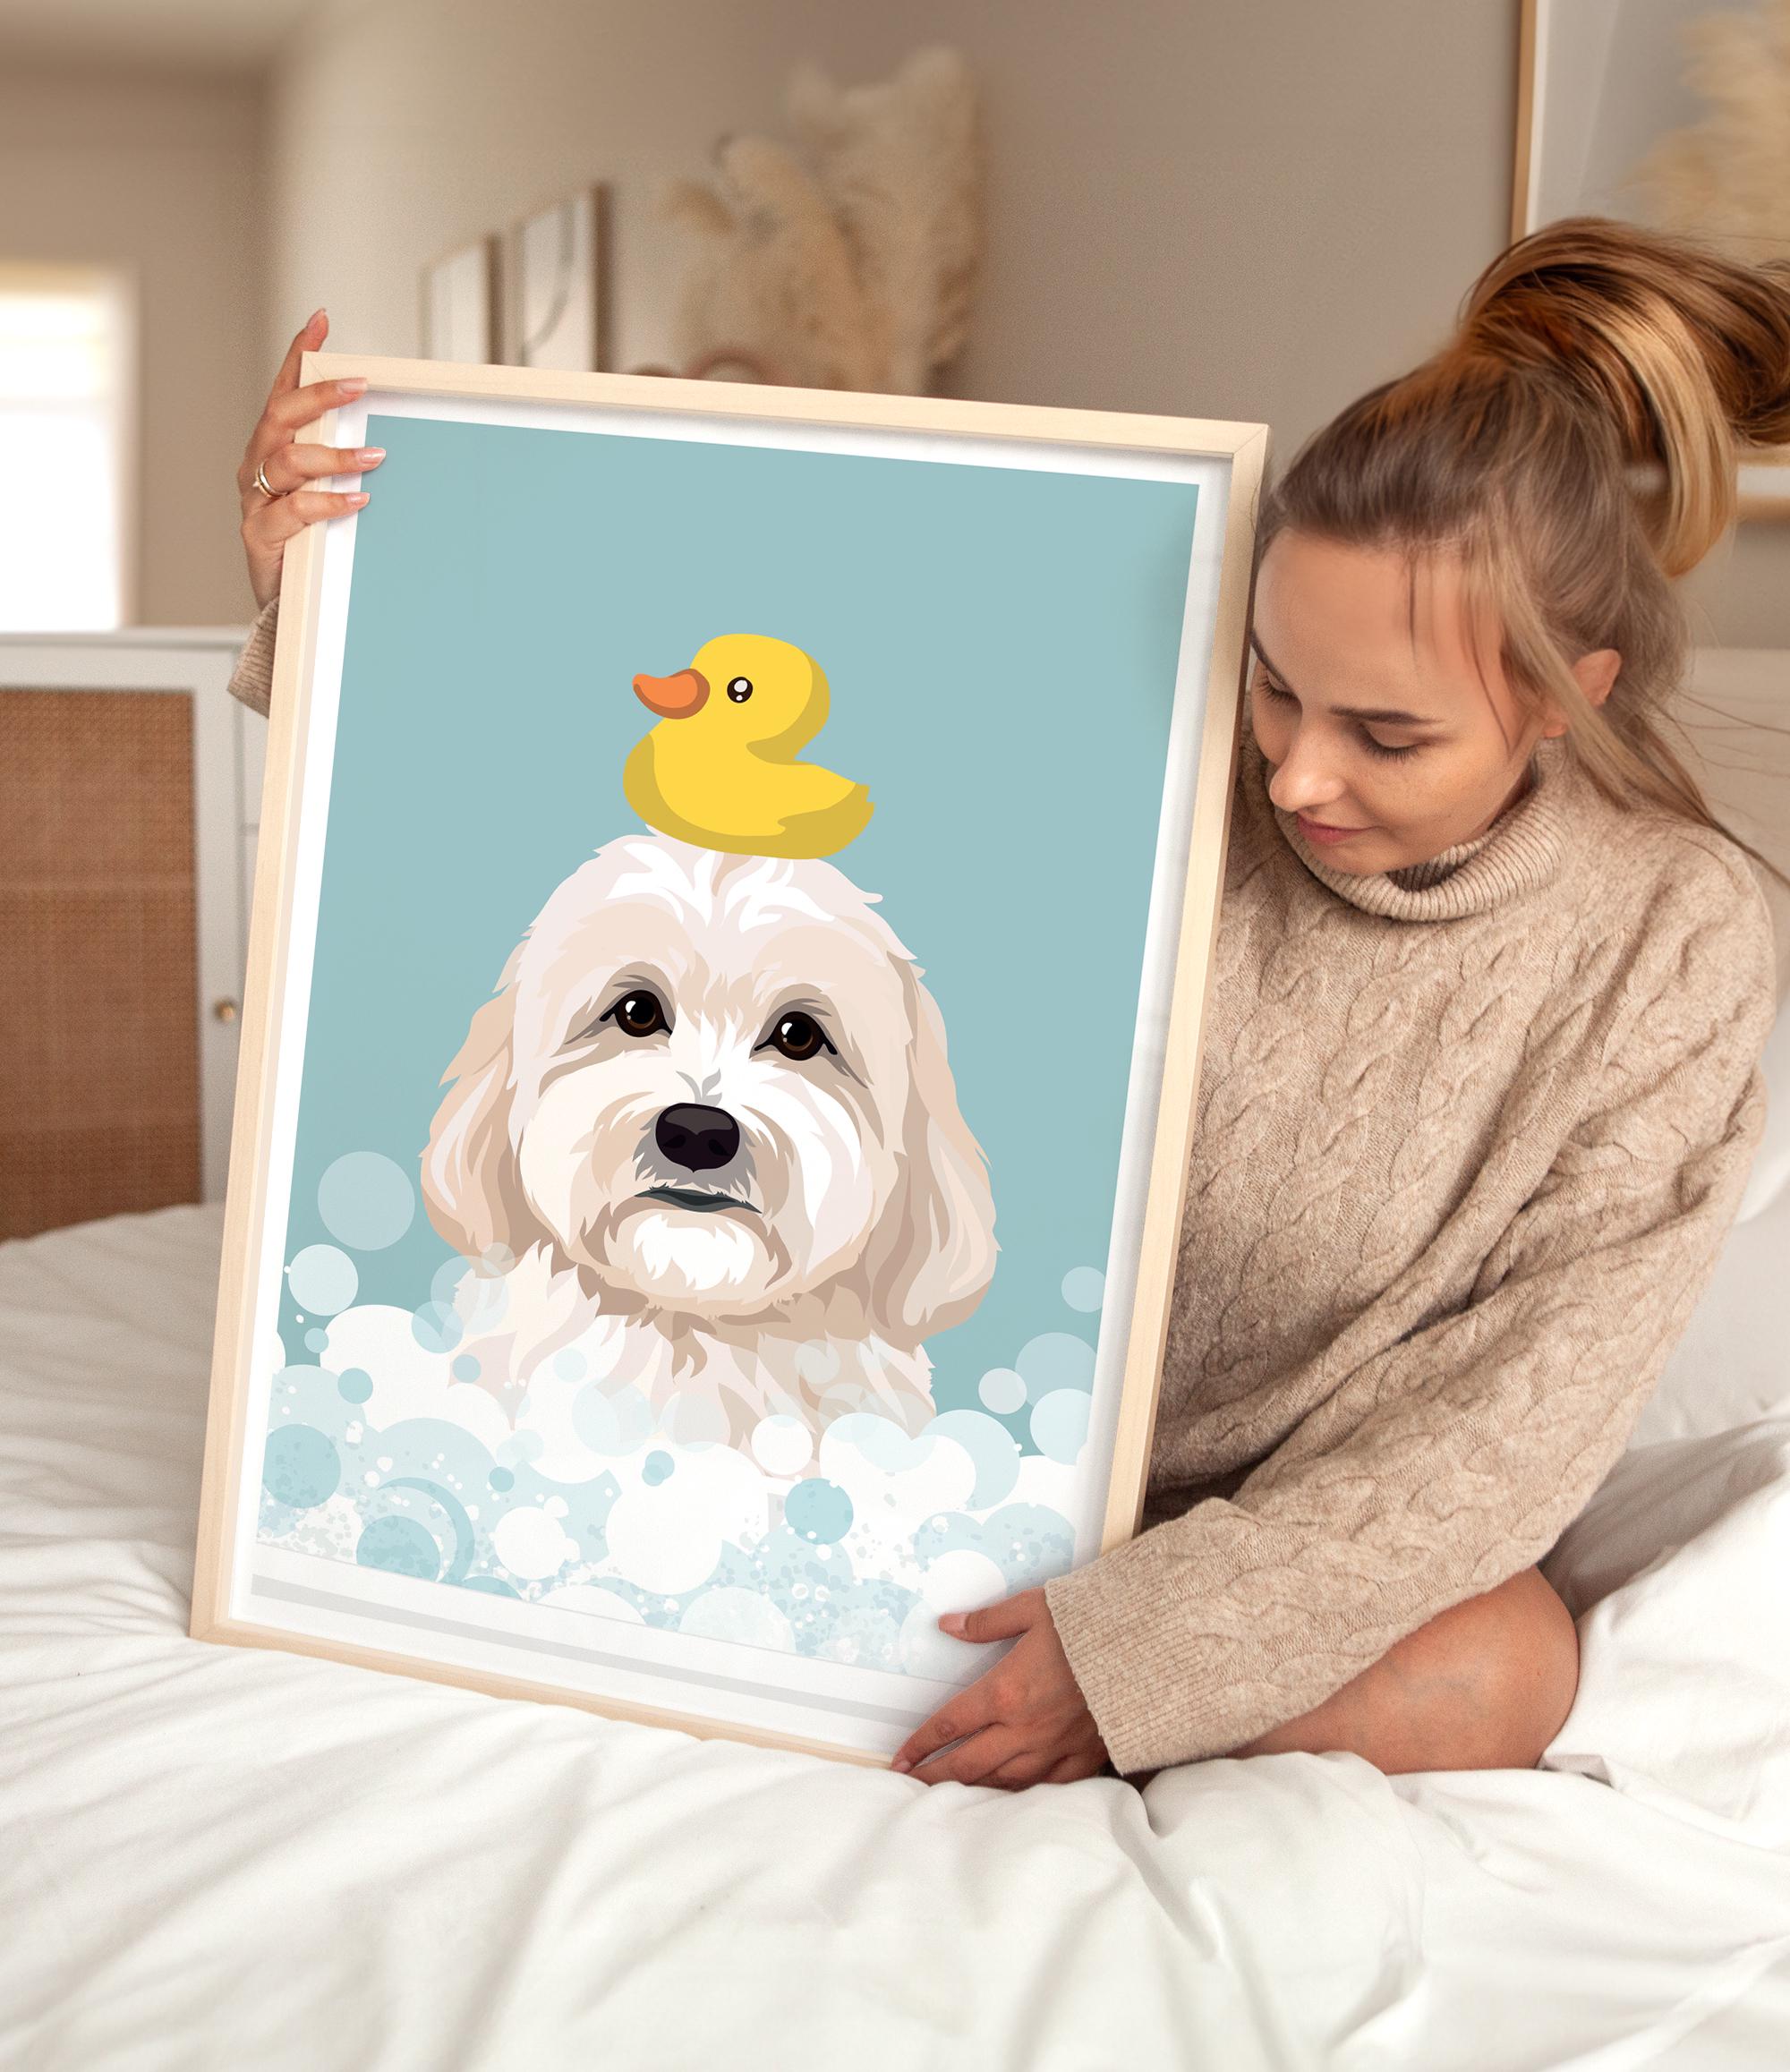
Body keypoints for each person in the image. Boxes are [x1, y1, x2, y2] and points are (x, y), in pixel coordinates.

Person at [226, 220, 1789, 1792]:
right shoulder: (1148, 749)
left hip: (1281, 1532)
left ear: (1565, 695)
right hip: (964, 1456)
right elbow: (677, 796)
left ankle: (983, 1687)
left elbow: (1518, 1420)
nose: (1298, 775)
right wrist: (329, 603)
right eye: (1273, 685)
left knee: (1510, 1665)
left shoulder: (1680, 941)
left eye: (1387, 735)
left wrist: (1138, 1659)